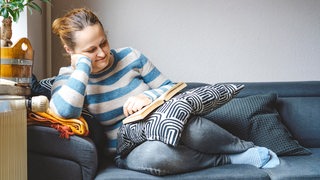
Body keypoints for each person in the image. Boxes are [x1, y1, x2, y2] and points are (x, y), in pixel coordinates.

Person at [50, 8, 279, 176]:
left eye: (104, 43)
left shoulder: (131, 56)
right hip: (130, 149)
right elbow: (65, 111)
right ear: (71, 51)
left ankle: (246, 149)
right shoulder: (69, 78)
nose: (102, 53)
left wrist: (147, 96)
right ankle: (227, 158)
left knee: (192, 127)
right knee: (158, 157)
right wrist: (82, 66)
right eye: (91, 50)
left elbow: (172, 88)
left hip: (162, 123)